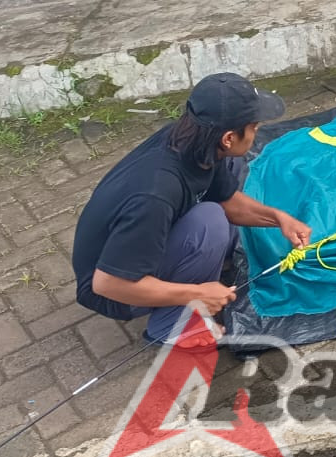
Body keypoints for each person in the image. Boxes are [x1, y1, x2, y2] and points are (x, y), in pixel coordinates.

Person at [72, 73, 311, 346]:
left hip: (134, 250)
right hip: (115, 290)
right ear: (229, 138)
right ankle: (172, 327)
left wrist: (278, 219)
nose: (257, 133)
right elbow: (106, 284)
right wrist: (195, 293)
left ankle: (202, 264)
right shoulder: (155, 194)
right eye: (254, 126)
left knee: (228, 178)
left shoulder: (196, 141)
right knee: (210, 222)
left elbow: (228, 200)